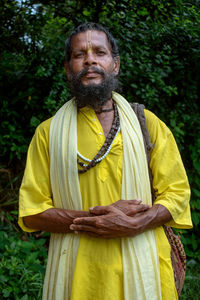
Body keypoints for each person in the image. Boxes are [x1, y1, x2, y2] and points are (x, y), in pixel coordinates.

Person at [18, 22, 192, 300]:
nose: (90, 59)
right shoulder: (48, 133)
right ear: (68, 68)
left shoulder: (147, 124)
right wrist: (95, 220)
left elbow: (178, 195)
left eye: (100, 52)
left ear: (115, 64)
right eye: (79, 55)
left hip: (146, 268)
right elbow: (32, 211)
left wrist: (136, 224)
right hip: (78, 275)